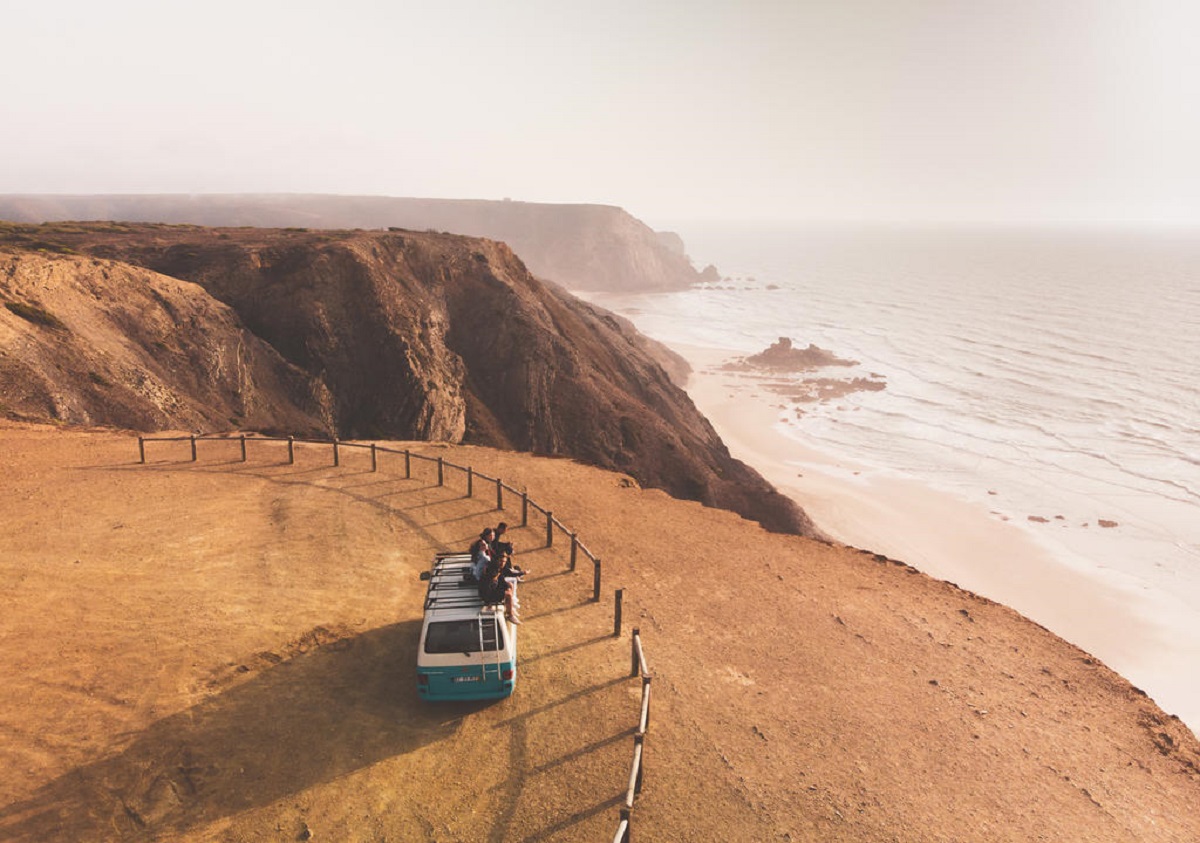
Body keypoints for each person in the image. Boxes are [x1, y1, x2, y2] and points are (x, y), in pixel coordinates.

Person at [477, 558, 520, 624]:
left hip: (494, 592)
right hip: (488, 597)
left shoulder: (498, 575)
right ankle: (510, 615)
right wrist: (503, 593)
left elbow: (503, 582)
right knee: (508, 594)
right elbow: (486, 594)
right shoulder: (486, 580)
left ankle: (510, 607)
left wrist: (507, 588)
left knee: (510, 586)